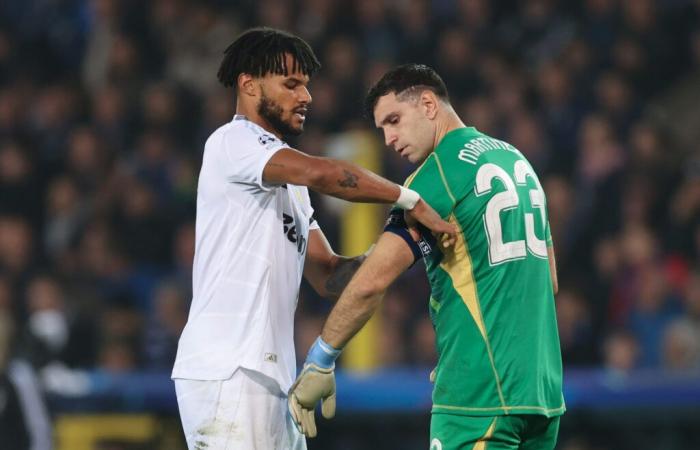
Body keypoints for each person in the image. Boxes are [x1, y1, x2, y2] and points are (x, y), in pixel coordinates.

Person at [170, 30, 455, 450]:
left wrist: (394, 250)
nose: (306, 96)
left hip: (272, 377)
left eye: (306, 84)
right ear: (248, 84)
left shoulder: (289, 182)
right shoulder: (233, 142)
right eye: (291, 84)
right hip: (228, 370)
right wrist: (409, 199)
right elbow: (326, 173)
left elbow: (329, 276)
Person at [289, 64, 565, 449]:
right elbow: (547, 281)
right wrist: (464, 348)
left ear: (429, 104)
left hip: (478, 401)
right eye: (382, 128)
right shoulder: (516, 160)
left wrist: (321, 356)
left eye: (394, 120)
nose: (388, 138)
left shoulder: (437, 174)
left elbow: (371, 282)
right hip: (542, 395)